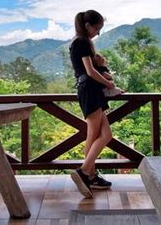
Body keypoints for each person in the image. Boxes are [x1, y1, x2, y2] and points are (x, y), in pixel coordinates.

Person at [69, 10, 114, 198]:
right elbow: (89, 72)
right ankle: (85, 172)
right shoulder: (81, 42)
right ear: (88, 26)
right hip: (90, 90)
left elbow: (93, 69)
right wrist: (109, 83)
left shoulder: (80, 42)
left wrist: (101, 66)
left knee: (104, 135)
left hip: (91, 91)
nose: (98, 33)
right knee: (95, 134)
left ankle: (89, 174)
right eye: (97, 28)